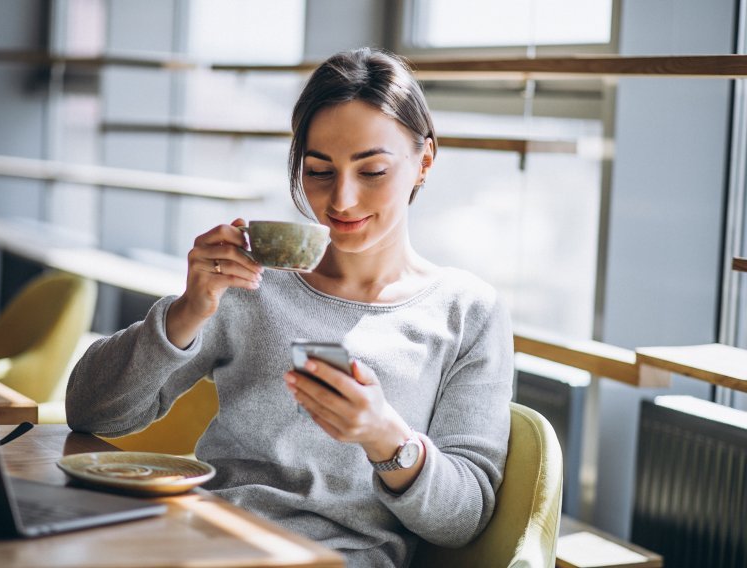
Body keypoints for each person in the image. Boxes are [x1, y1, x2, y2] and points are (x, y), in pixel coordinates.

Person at [66, 47, 513, 568]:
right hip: (199, 541)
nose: (341, 200)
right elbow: (90, 411)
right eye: (319, 171)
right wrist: (189, 309)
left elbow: (465, 519)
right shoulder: (252, 283)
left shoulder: (467, 311)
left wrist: (385, 438)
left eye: (371, 171)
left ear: (424, 162)